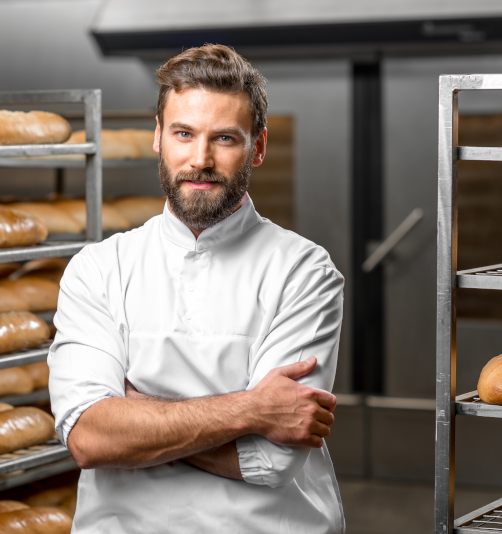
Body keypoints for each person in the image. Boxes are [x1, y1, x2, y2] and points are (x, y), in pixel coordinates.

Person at [49, 43, 345, 533]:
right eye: (184, 134)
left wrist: (134, 414)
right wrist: (252, 409)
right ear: (159, 137)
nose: (200, 159)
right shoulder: (98, 268)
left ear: (259, 146)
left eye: (225, 138)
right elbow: (90, 439)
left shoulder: (303, 270)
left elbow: (270, 461)